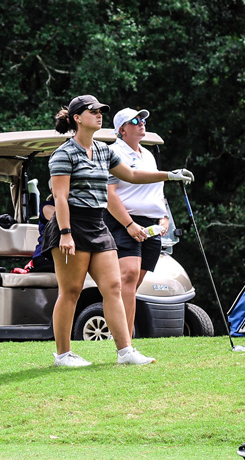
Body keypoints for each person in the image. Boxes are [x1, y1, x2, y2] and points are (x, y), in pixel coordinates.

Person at [44, 94, 193, 367]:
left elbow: (132, 175)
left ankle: (125, 351)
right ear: (77, 118)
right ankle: (63, 354)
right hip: (72, 225)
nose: (100, 115)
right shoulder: (63, 154)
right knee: (72, 291)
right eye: (94, 111)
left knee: (113, 286)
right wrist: (65, 233)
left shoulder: (104, 150)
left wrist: (169, 175)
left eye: (102, 111)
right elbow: (60, 197)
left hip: (98, 226)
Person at [103, 107, 170, 336]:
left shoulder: (148, 155)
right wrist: (129, 224)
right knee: (128, 277)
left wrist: (164, 216)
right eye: (135, 120)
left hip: (151, 224)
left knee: (131, 285)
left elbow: (156, 191)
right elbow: (109, 194)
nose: (141, 122)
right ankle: (125, 341)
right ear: (122, 129)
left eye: (143, 119)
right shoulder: (114, 152)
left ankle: (123, 335)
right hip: (123, 221)